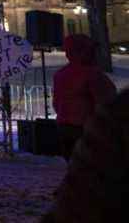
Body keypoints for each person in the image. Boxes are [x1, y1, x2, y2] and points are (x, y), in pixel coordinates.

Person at [42, 88, 129, 223]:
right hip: (81, 124)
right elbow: (105, 94)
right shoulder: (118, 114)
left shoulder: (61, 75)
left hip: (66, 124)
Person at [52, 34, 116, 161]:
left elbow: (56, 103)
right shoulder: (92, 74)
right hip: (89, 129)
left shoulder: (60, 75)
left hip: (65, 128)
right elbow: (106, 103)